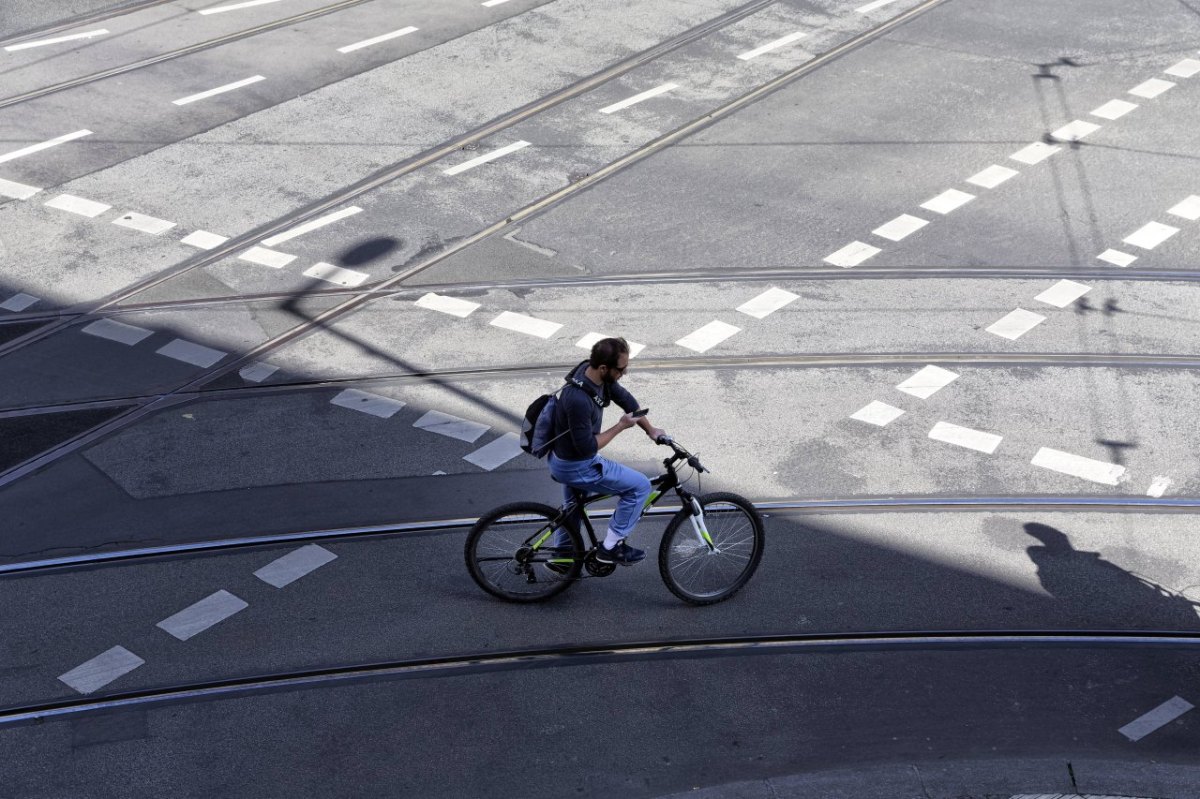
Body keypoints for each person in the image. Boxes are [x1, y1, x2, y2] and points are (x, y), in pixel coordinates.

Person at [546, 337, 665, 567]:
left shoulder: (594, 375)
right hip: (576, 464)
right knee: (639, 486)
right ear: (604, 368)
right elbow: (588, 447)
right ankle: (611, 547)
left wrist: (651, 430)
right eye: (621, 369)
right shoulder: (578, 399)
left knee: (574, 508)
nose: (625, 373)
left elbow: (626, 400)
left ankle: (562, 556)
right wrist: (621, 426)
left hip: (566, 459)